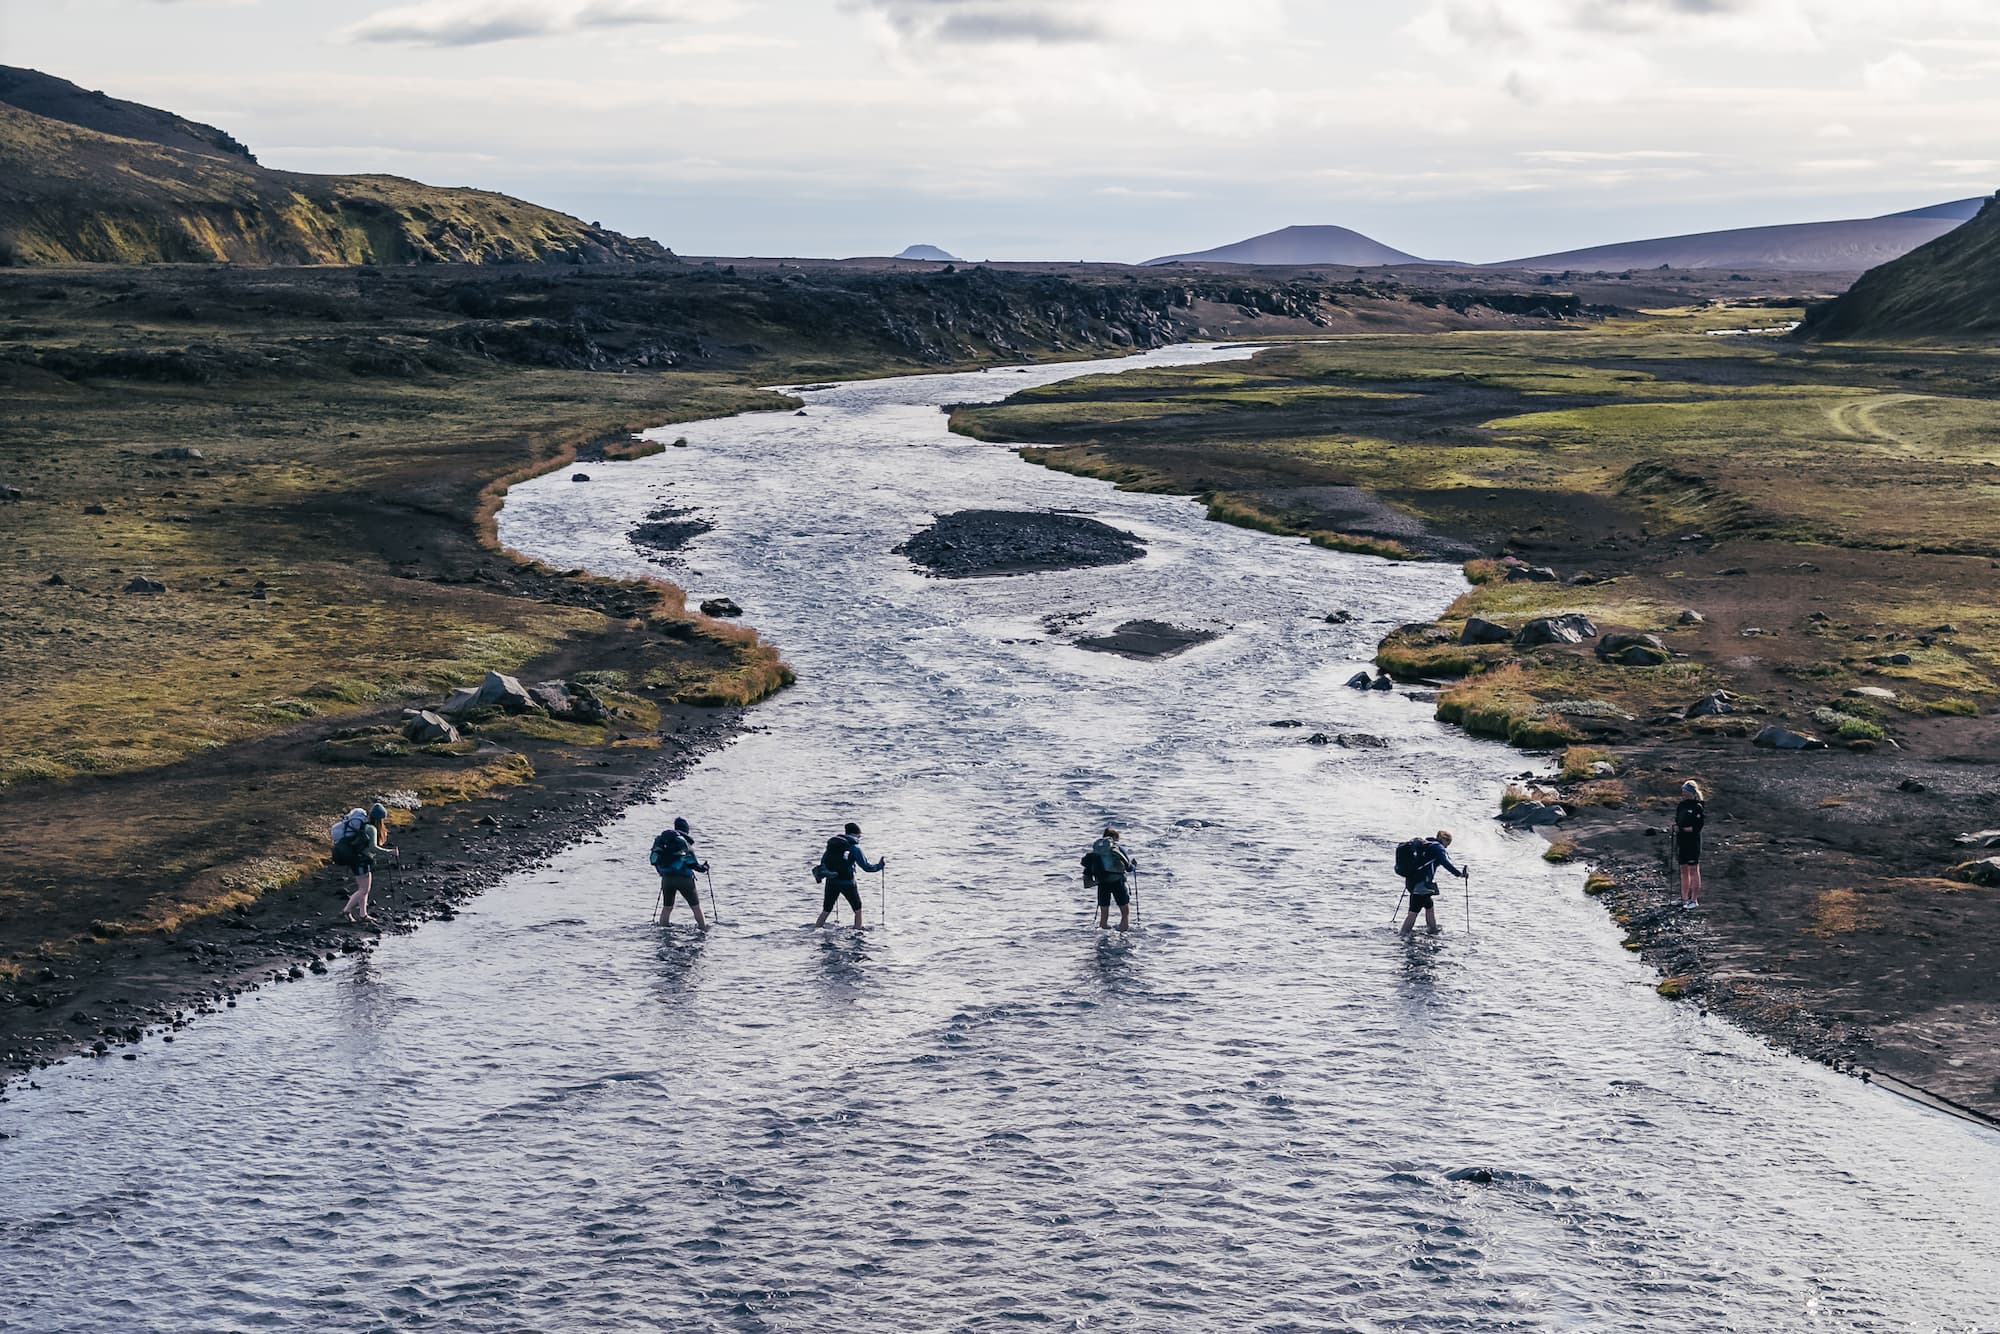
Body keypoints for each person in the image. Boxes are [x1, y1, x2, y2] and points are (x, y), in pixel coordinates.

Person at [813, 822, 885, 928]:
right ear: (855, 834)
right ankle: (858, 931)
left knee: (826, 909)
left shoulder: (832, 846)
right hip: (847, 883)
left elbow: (824, 862)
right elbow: (867, 867)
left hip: (831, 881)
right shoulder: (854, 848)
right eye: (859, 836)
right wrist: (880, 866)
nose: (859, 839)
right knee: (858, 909)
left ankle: (817, 928)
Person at [1399, 829, 1466, 936]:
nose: (1447, 847)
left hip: (1412, 882)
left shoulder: (1426, 845)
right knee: (1413, 912)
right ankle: (1403, 935)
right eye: (1447, 844)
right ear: (1444, 840)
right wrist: (1460, 874)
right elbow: (1446, 863)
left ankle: (1432, 930)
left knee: (1429, 905)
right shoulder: (1438, 848)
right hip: (1422, 885)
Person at [339, 803, 397, 923]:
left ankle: (363, 914)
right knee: (363, 890)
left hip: (359, 860)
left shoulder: (366, 826)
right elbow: (373, 848)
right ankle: (346, 911)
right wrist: (390, 852)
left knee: (365, 889)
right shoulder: (371, 829)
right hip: (361, 861)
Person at [652, 816, 711, 929]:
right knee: (696, 907)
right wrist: (704, 868)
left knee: (667, 908)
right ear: (686, 829)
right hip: (684, 880)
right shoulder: (684, 843)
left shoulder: (664, 841)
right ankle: (703, 930)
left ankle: (663, 930)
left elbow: (655, 860)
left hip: (667, 879)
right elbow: (693, 864)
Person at [1082, 827, 1137, 931]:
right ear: (1115, 837)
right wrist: (1134, 866)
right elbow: (1129, 868)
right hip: (1117, 882)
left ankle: (1104, 932)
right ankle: (1123, 932)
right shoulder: (1117, 849)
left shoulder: (1097, 852)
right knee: (1125, 912)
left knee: (1104, 913)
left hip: (1102, 882)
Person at [1674, 780, 1706, 909]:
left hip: (1693, 841)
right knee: (1683, 870)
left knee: (1693, 869)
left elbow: (1697, 827)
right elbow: (1677, 820)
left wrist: (1683, 829)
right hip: (1682, 840)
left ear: (1691, 792)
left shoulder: (1698, 806)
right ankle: (1684, 899)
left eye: (1685, 790)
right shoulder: (1681, 805)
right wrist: (1677, 828)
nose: (1683, 792)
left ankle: (1694, 899)